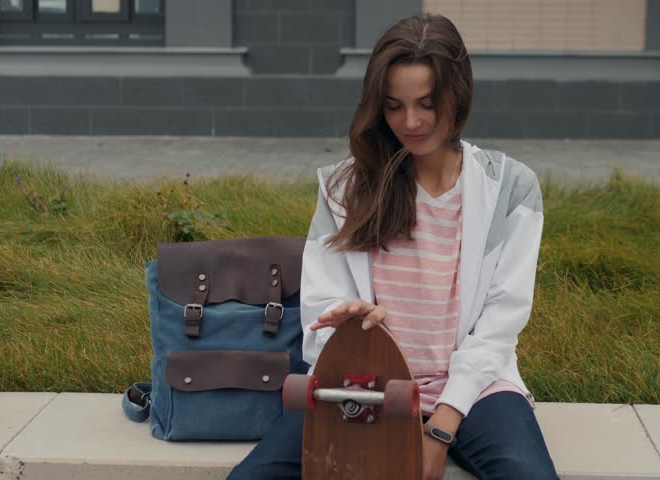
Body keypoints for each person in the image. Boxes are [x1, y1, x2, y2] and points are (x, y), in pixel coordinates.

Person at [229, 13, 559, 480]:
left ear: (457, 95)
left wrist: (440, 427)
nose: (411, 122)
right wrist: (347, 326)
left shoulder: (509, 187)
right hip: (362, 382)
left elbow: (503, 319)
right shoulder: (347, 187)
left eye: (427, 104)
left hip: (477, 391)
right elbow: (321, 308)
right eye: (393, 106)